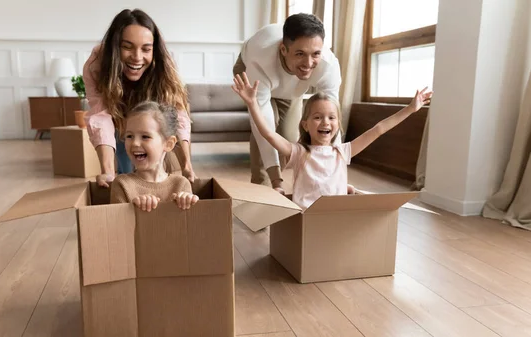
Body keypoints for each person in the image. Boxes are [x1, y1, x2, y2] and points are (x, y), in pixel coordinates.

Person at [232, 72, 432, 209]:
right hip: (306, 215)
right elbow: (268, 134)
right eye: (317, 117)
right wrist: (252, 104)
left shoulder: (342, 151)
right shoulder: (299, 152)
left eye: (331, 117)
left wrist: (410, 109)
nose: (325, 122)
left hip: (336, 215)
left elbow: (379, 129)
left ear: (337, 124)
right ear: (305, 124)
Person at [83, 9, 195, 188]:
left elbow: (177, 114)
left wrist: (187, 164)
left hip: (153, 122)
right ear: (115, 46)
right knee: (126, 179)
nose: (137, 57)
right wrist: (107, 170)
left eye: (145, 49)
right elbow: (100, 115)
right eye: (127, 47)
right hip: (119, 122)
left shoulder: (163, 61)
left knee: (156, 175)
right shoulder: (97, 63)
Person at [233, 13, 342, 194]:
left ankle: (277, 190)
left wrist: (336, 172)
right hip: (253, 72)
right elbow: (264, 130)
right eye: (300, 54)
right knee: (266, 125)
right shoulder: (259, 58)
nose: (308, 63)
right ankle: (263, 192)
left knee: (289, 137)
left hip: (291, 87)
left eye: (315, 54)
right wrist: (276, 180)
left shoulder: (328, 66)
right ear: (283, 50)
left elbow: (332, 120)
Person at [110, 101, 199, 212]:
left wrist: (187, 203)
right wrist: (134, 209)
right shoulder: (122, 184)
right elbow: (116, 226)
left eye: (145, 136)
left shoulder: (181, 184)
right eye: (129, 136)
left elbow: (186, 225)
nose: (135, 143)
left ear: (168, 144)